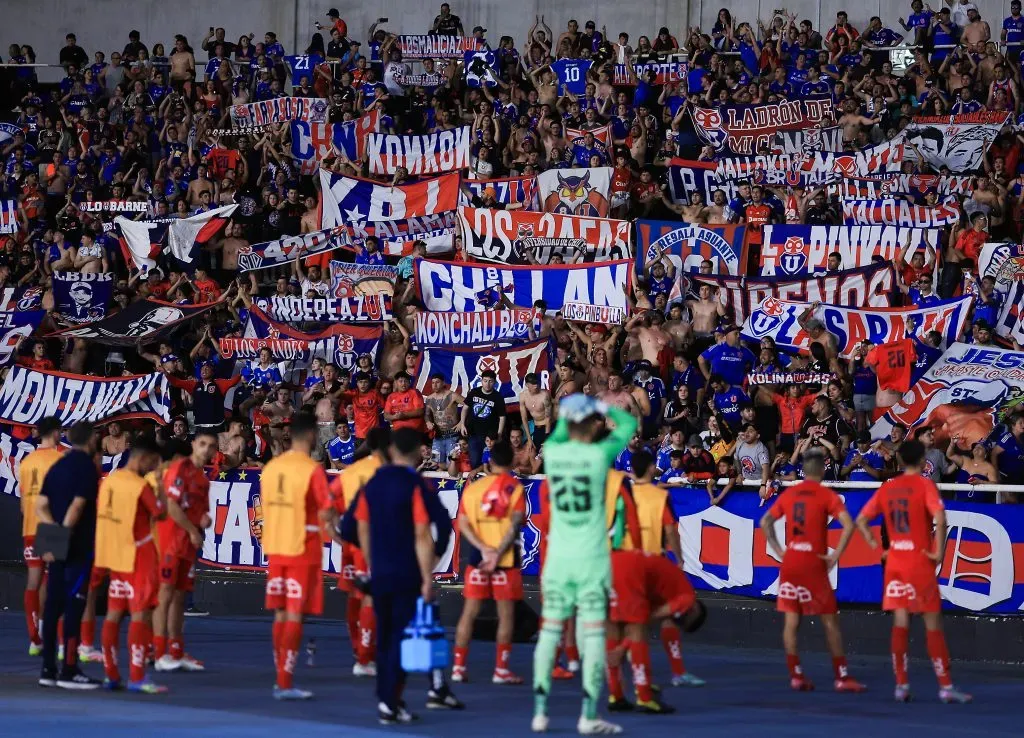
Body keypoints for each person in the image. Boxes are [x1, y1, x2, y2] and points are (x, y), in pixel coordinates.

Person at [532, 394, 638, 736]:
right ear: (589, 423)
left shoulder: (553, 453)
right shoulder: (598, 455)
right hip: (592, 559)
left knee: (549, 633)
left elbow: (558, 433)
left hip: (558, 559)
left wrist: (570, 410)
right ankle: (588, 715)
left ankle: (540, 712)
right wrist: (602, 406)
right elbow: (629, 425)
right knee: (594, 636)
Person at [854, 440, 973, 704]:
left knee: (900, 623)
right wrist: (939, 553)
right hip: (919, 562)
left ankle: (901, 685)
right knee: (932, 623)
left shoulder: (889, 487)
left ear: (899, 460)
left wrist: (878, 547)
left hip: (895, 562)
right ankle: (945, 685)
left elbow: (862, 520)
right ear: (921, 461)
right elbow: (941, 519)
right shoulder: (925, 485)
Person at [354, 428, 454, 724]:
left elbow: (358, 525)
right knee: (400, 638)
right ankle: (391, 700)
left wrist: (372, 562)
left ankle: (389, 700)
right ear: (415, 452)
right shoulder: (415, 485)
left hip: (381, 571)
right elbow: (429, 531)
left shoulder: (372, 483)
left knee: (386, 639)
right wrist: (427, 574)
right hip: (407, 571)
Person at [760, 453, 865, 692]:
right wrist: (835, 555)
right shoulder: (826, 495)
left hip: (791, 561)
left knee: (791, 619)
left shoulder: (791, 494)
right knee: (830, 620)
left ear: (803, 471)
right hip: (813, 563)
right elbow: (849, 524)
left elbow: (765, 521)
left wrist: (779, 550)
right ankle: (841, 676)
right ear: (822, 471)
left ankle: (795, 674)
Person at [261, 413, 339, 700]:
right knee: (295, 613)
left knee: (281, 612)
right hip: (301, 548)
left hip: (276, 547)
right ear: (311, 436)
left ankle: (280, 674)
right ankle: (284, 682)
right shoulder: (311, 469)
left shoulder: (271, 468)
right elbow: (327, 508)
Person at [95, 434, 167, 693]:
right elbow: (161, 513)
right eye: (153, 461)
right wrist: (160, 485)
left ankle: (111, 674)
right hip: (140, 557)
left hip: (115, 557)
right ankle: (137, 677)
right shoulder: (141, 486)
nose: (153, 466)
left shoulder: (109, 482)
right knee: (140, 615)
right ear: (145, 457)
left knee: (113, 615)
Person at [452, 441, 527, 684]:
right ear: (513, 461)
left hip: (478, 558)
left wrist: (483, 549)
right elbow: (515, 523)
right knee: (506, 616)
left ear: (489, 462)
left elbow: (462, 524)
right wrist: (496, 553)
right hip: (504, 559)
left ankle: (458, 668)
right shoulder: (515, 488)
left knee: (469, 613)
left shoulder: (474, 489)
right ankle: (501, 670)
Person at [35, 420, 101, 690]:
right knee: (74, 606)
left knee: (52, 606)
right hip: (76, 547)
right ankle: (69, 671)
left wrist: (53, 535)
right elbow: (76, 507)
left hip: (55, 542)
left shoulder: (58, 465)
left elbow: (40, 505)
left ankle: (48, 669)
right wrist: (64, 534)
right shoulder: (86, 466)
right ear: (91, 440)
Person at [152, 431, 216, 673]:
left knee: (179, 598)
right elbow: (171, 505)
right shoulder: (180, 468)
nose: (206, 449)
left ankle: (176, 650)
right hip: (171, 541)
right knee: (165, 594)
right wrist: (192, 530)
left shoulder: (202, 479)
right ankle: (159, 653)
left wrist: (204, 520)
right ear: (193, 445)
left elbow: (197, 510)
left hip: (187, 545)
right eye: (202, 444)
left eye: (211, 446)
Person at [19, 416, 63, 657]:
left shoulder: (27, 462)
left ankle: (34, 638)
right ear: (55, 433)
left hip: (30, 527)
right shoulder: (59, 460)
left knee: (33, 581)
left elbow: (24, 501)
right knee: (53, 580)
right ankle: (55, 638)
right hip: (52, 525)